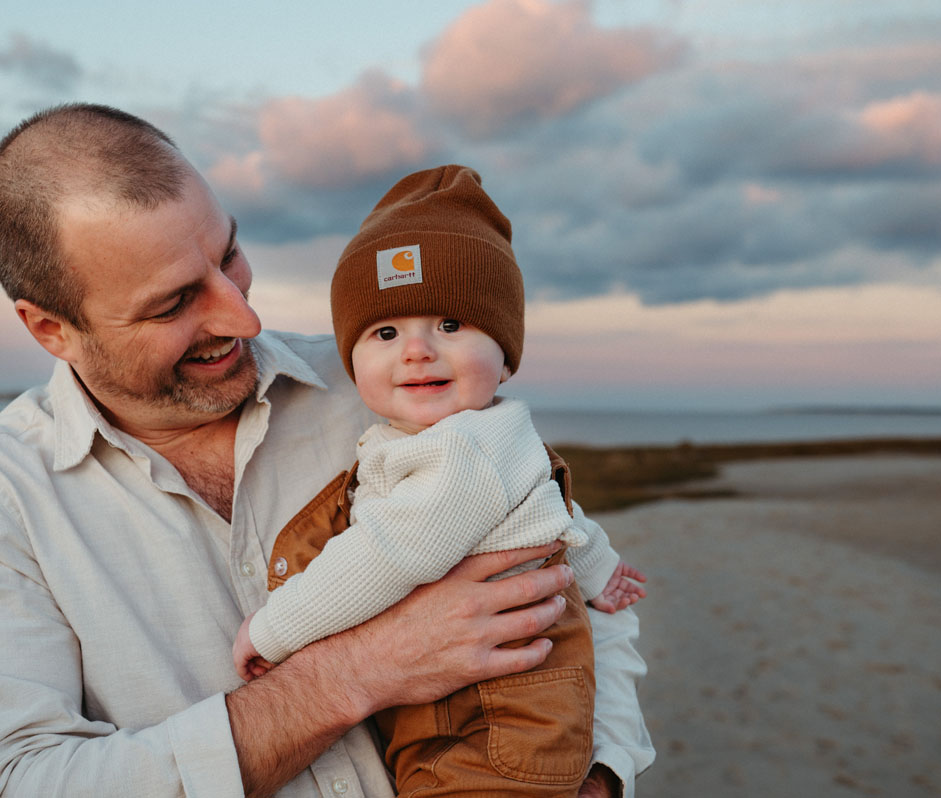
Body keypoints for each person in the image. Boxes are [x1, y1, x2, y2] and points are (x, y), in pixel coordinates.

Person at [0, 103, 654, 798]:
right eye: (176, 302)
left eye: (229, 257)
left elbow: (569, 577)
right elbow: (12, 783)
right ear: (50, 328)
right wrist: (352, 674)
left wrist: (601, 776)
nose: (244, 317)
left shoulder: (387, 382)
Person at [231, 165, 646, 797]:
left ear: (506, 356)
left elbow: (388, 554)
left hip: (492, 723)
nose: (417, 350)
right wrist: (601, 570)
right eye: (386, 332)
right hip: (490, 716)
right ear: (352, 361)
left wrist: (275, 630)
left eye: (450, 326)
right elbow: (563, 521)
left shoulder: (465, 451)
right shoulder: (486, 439)